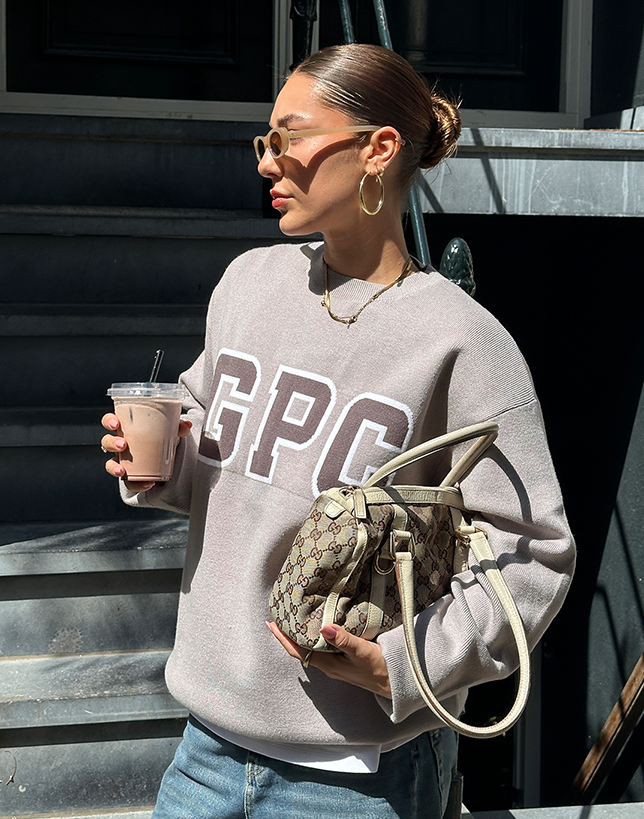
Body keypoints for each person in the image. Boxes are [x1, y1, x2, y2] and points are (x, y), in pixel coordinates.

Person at [101, 43, 575, 819]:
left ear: (377, 149)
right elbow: (218, 459)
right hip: (205, 749)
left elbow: (534, 552)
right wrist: (156, 462)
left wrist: (407, 664)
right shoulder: (249, 284)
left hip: (356, 777)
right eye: (266, 139)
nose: (267, 160)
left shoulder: (461, 340)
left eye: (290, 137)